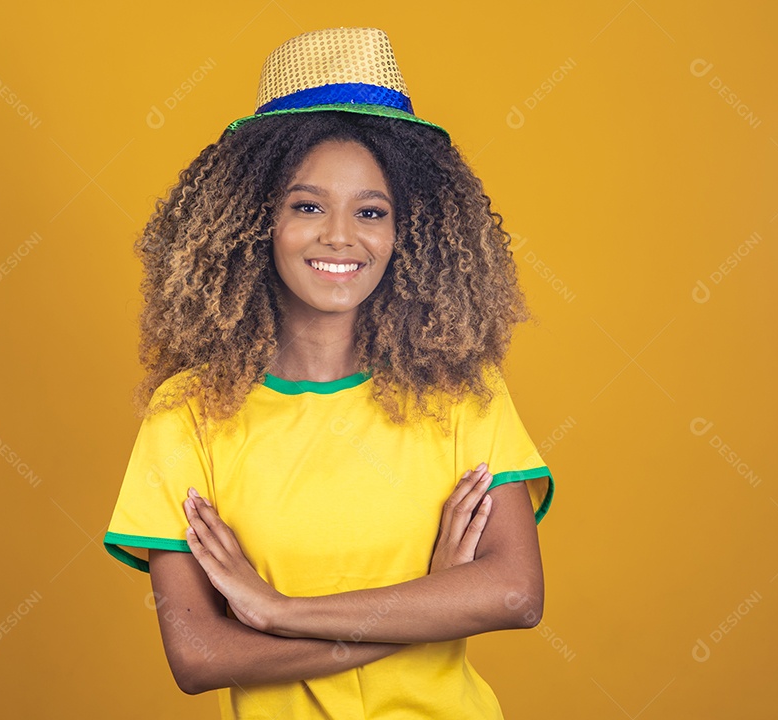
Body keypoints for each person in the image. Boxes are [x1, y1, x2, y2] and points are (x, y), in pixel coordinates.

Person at [103, 26, 556, 719]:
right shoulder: (188, 413)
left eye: (371, 211)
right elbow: (198, 657)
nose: (340, 236)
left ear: (407, 230)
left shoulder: (461, 391)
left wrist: (278, 613)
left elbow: (516, 595)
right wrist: (419, 608)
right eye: (307, 205)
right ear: (256, 221)